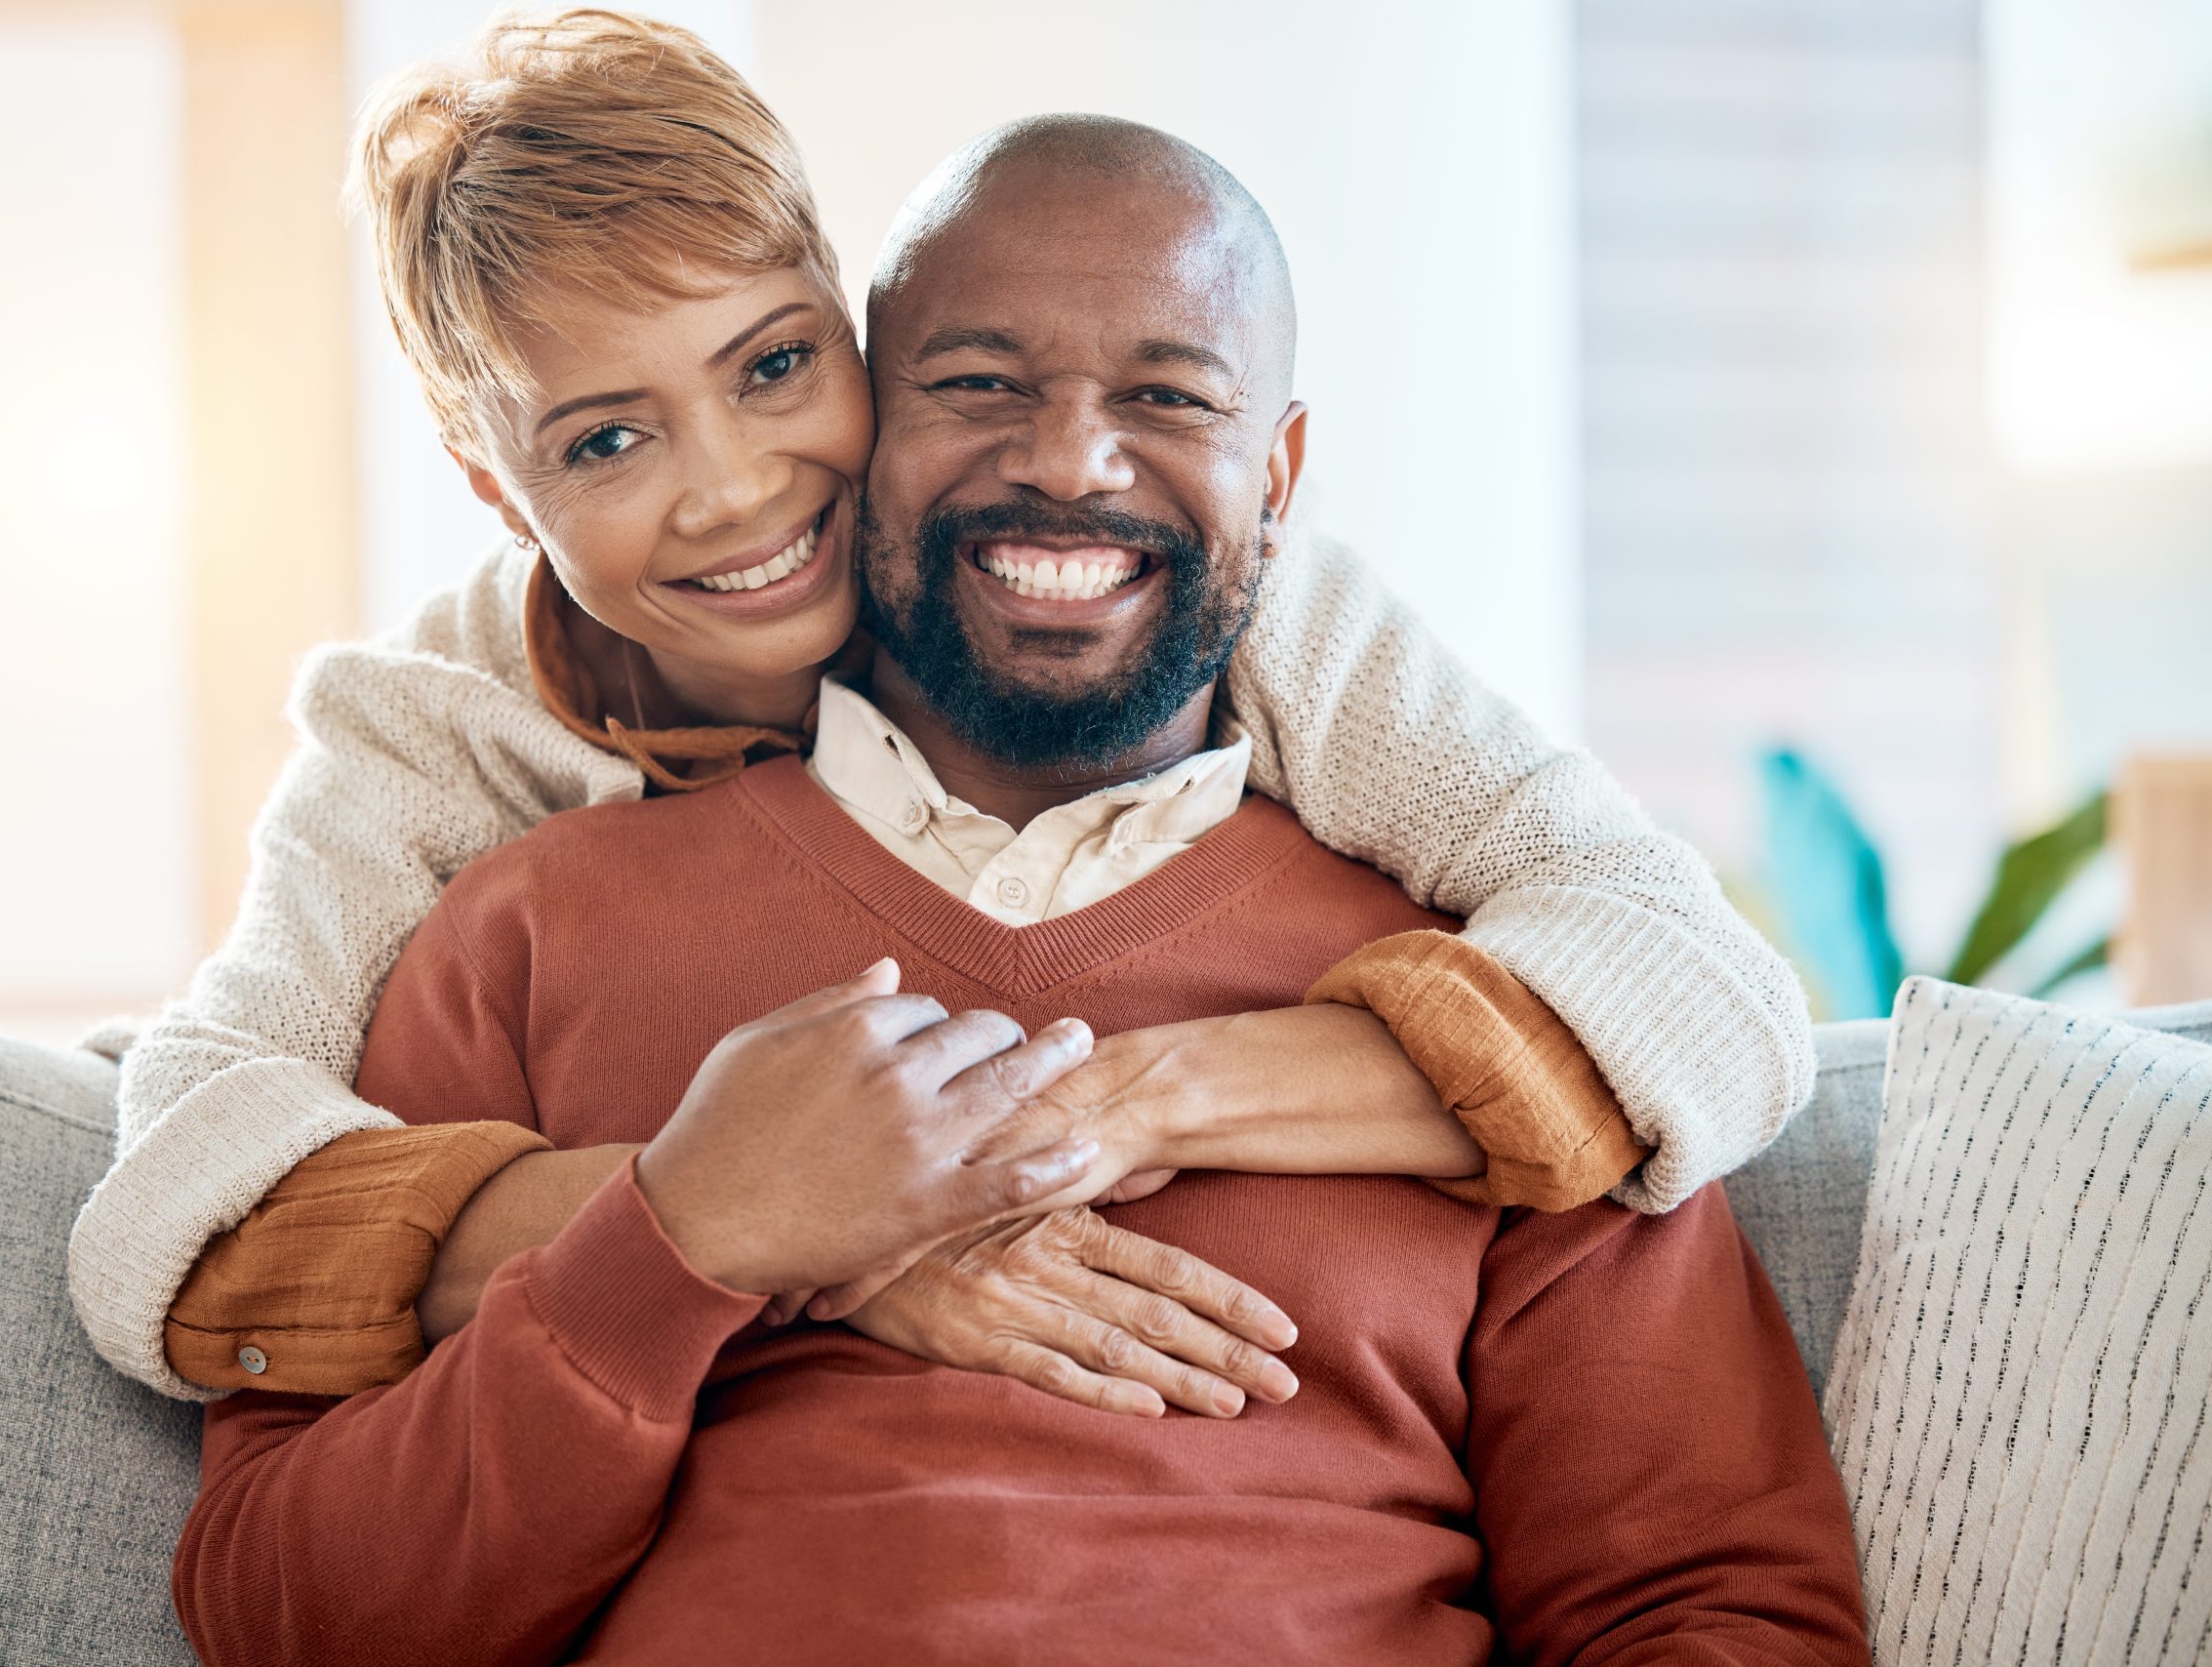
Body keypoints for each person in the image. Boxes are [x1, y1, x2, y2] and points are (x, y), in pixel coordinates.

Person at [171, 112, 1870, 1665]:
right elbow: (290, 1611)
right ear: (872, 425)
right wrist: (682, 1247)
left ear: (1277, 484)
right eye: (977, 384)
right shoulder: (518, 923)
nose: (1072, 462)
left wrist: (1083, 1118)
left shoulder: (1536, 1022)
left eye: (1169, 397)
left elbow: (1712, 1608)